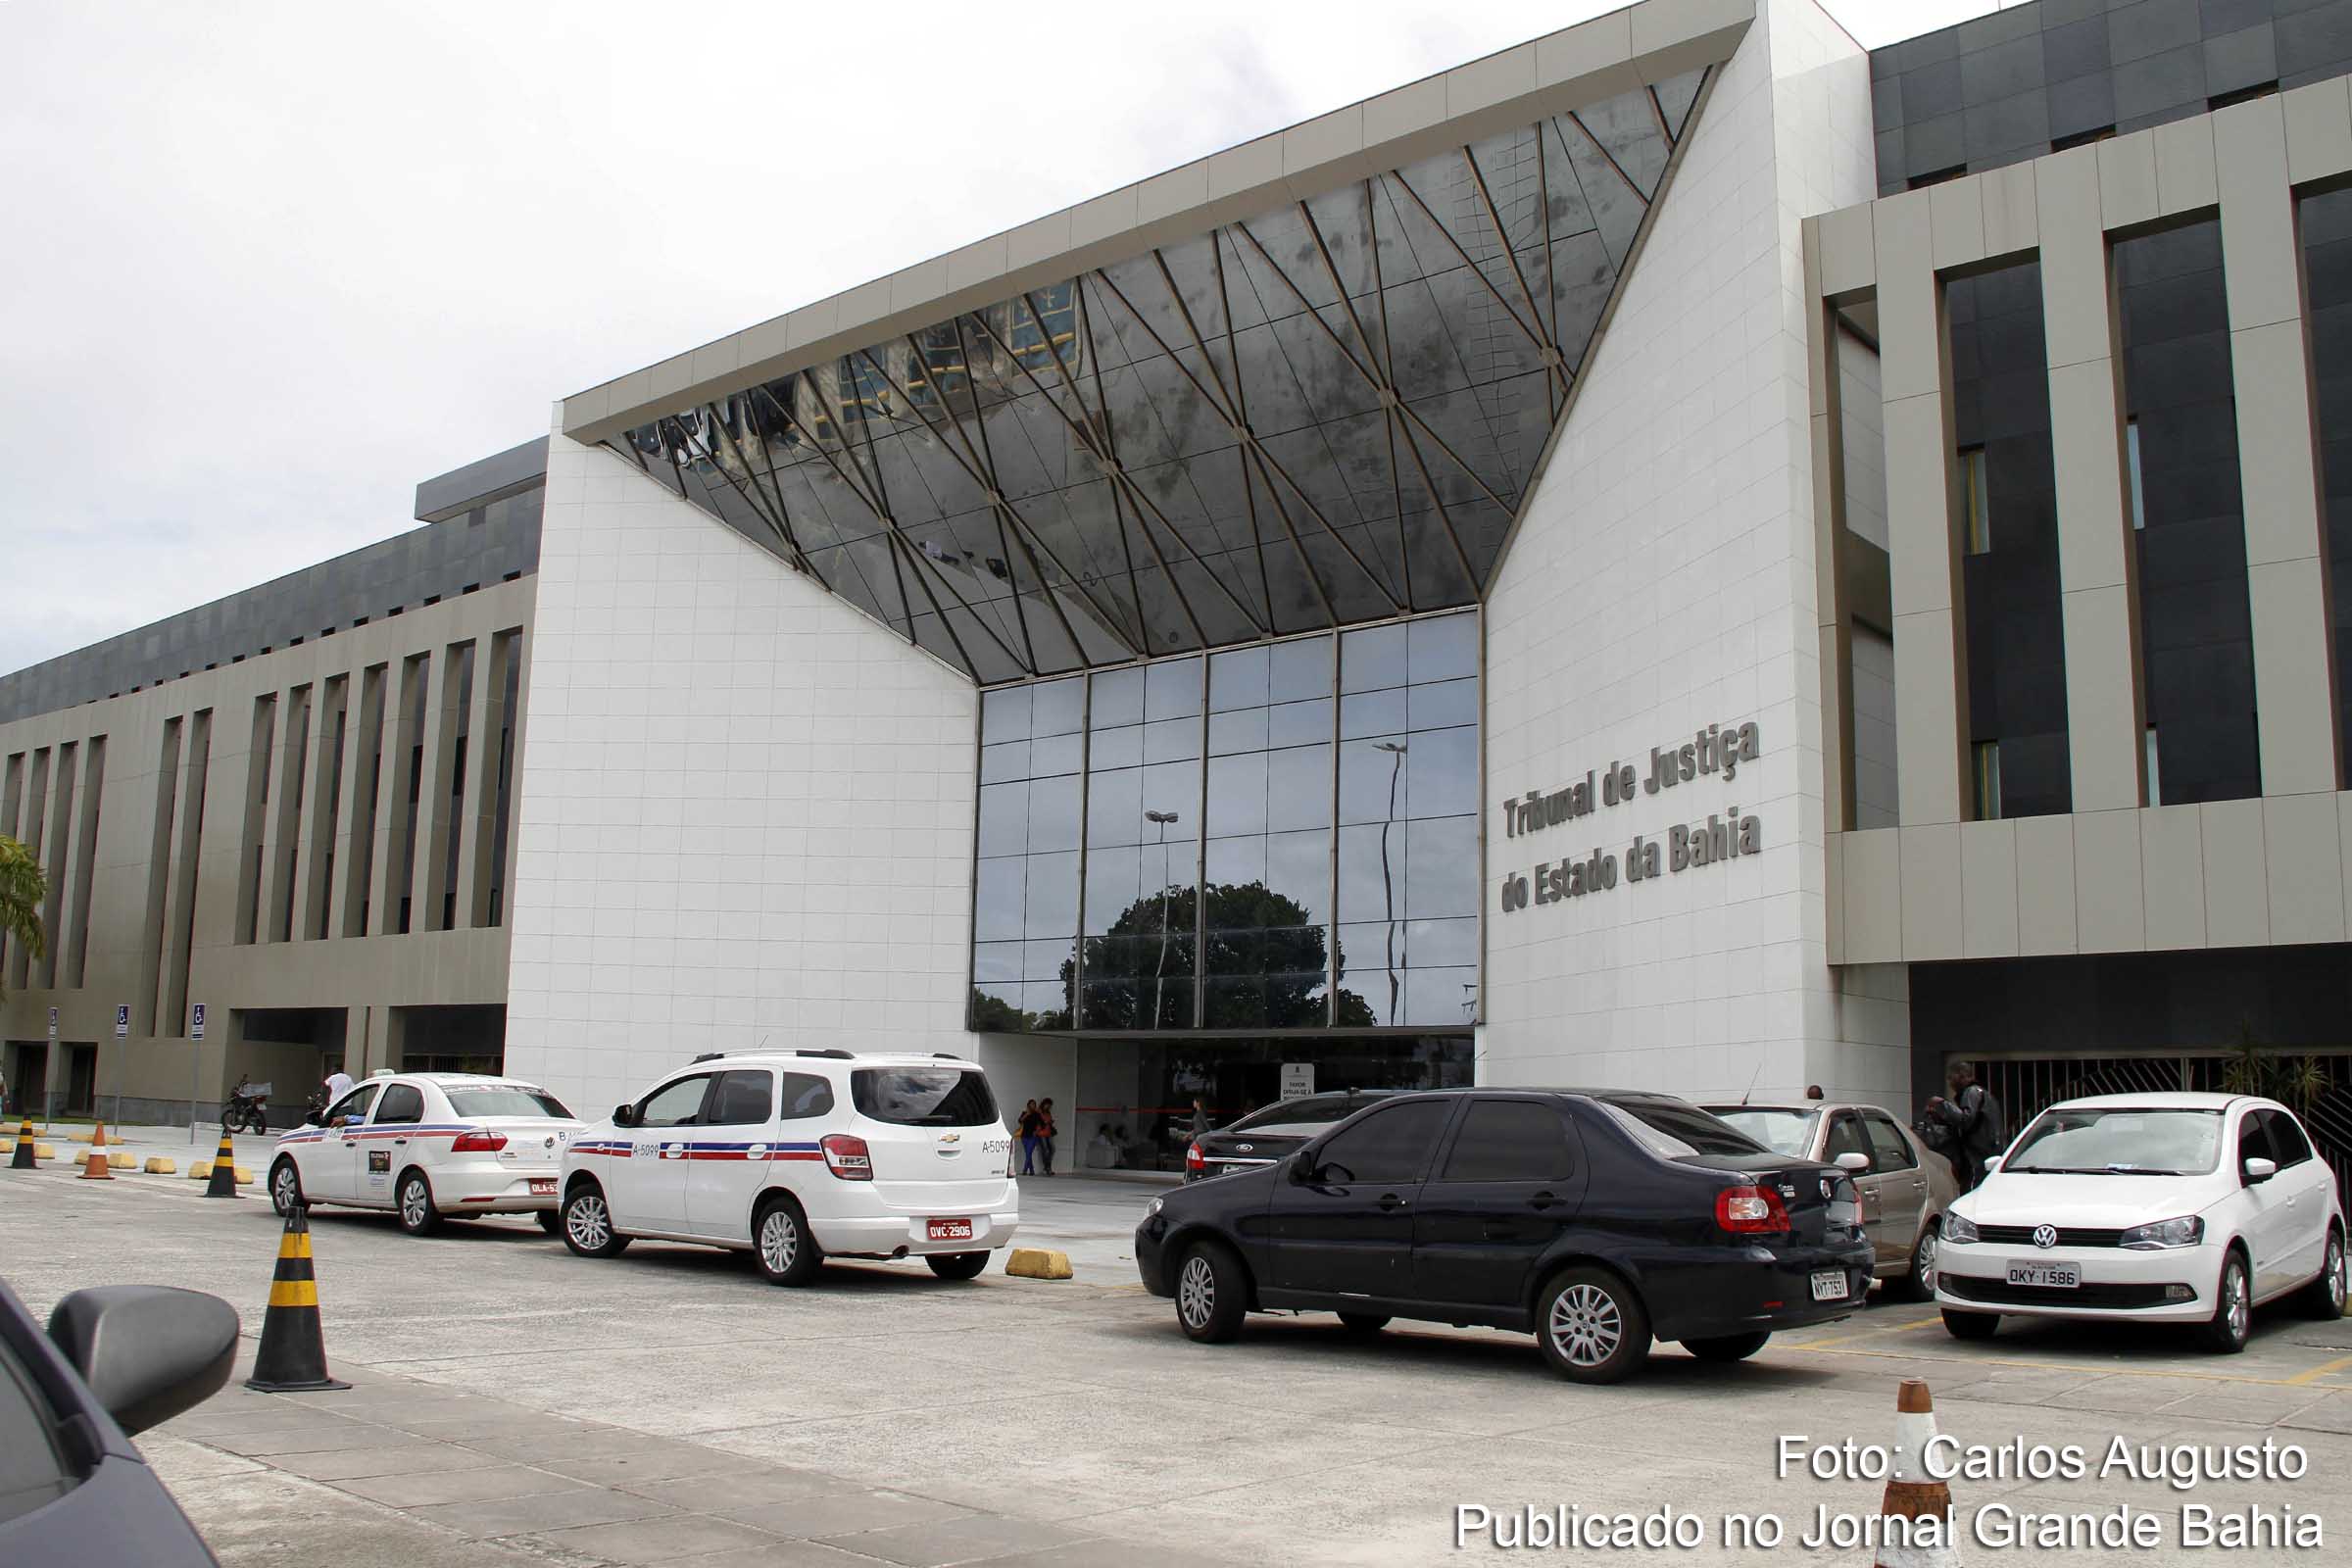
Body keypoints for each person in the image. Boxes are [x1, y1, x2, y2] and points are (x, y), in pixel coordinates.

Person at [1930, 1061, 2005, 1192]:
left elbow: (1965, 1119)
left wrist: (1943, 1105)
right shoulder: (1984, 1094)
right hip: (1987, 1153)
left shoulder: (1972, 1092)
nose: (1950, 1083)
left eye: (1951, 1078)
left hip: (1978, 1156)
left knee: (1972, 1191)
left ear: (1962, 1076)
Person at [1016, 1099, 1041, 1176]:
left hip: (1033, 1137)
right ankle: (1032, 1170)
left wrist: (1036, 1131)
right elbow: (1020, 1121)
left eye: (1034, 1104)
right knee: (1028, 1154)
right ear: (1028, 1105)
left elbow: (1041, 1125)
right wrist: (1027, 1114)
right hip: (1024, 1136)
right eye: (1031, 1104)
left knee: (1029, 1153)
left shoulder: (1037, 1114)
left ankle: (1025, 1170)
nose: (1033, 1106)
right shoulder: (1024, 1113)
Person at [1035, 1098, 1057, 1176]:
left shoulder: (1048, 1112)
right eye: (1047, 1105)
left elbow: (1047, 1121)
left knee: (1053, 1149)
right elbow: (1039, 1122)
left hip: (1048, 1132)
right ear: (1044, 1104)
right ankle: (1048, 1168)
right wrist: (1046, 1122)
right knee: (1046, 1150)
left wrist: (1050, 1122)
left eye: (1049, 1105)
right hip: (1041, 1133)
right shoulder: (1039, 1111)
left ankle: (1047, 1166)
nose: (1048, 1107)